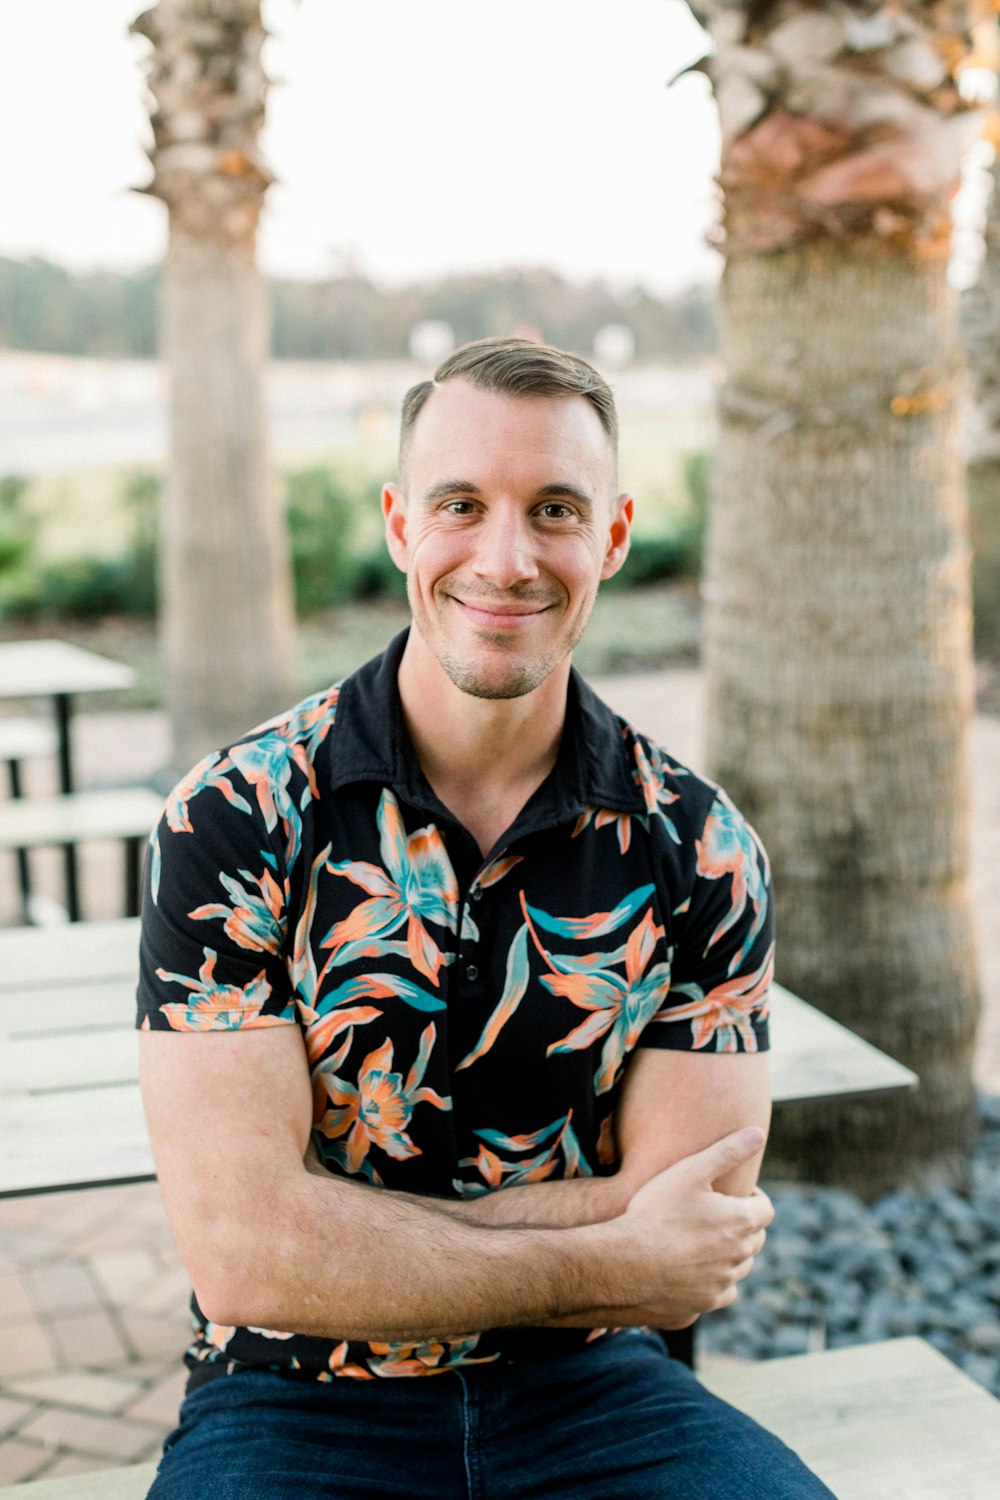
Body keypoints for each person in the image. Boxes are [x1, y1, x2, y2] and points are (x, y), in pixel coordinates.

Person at [137, 337, 833, 1498]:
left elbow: (688, 1252)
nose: (505, 559)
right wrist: (609, 1244)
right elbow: (248, 1255)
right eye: (461, 504)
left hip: (598, 1389)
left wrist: (342, 1230)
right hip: (295, 1393)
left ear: (611, 537)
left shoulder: (700, 848)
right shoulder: (236, 818)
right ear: (402, 525)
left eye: (554, 509)